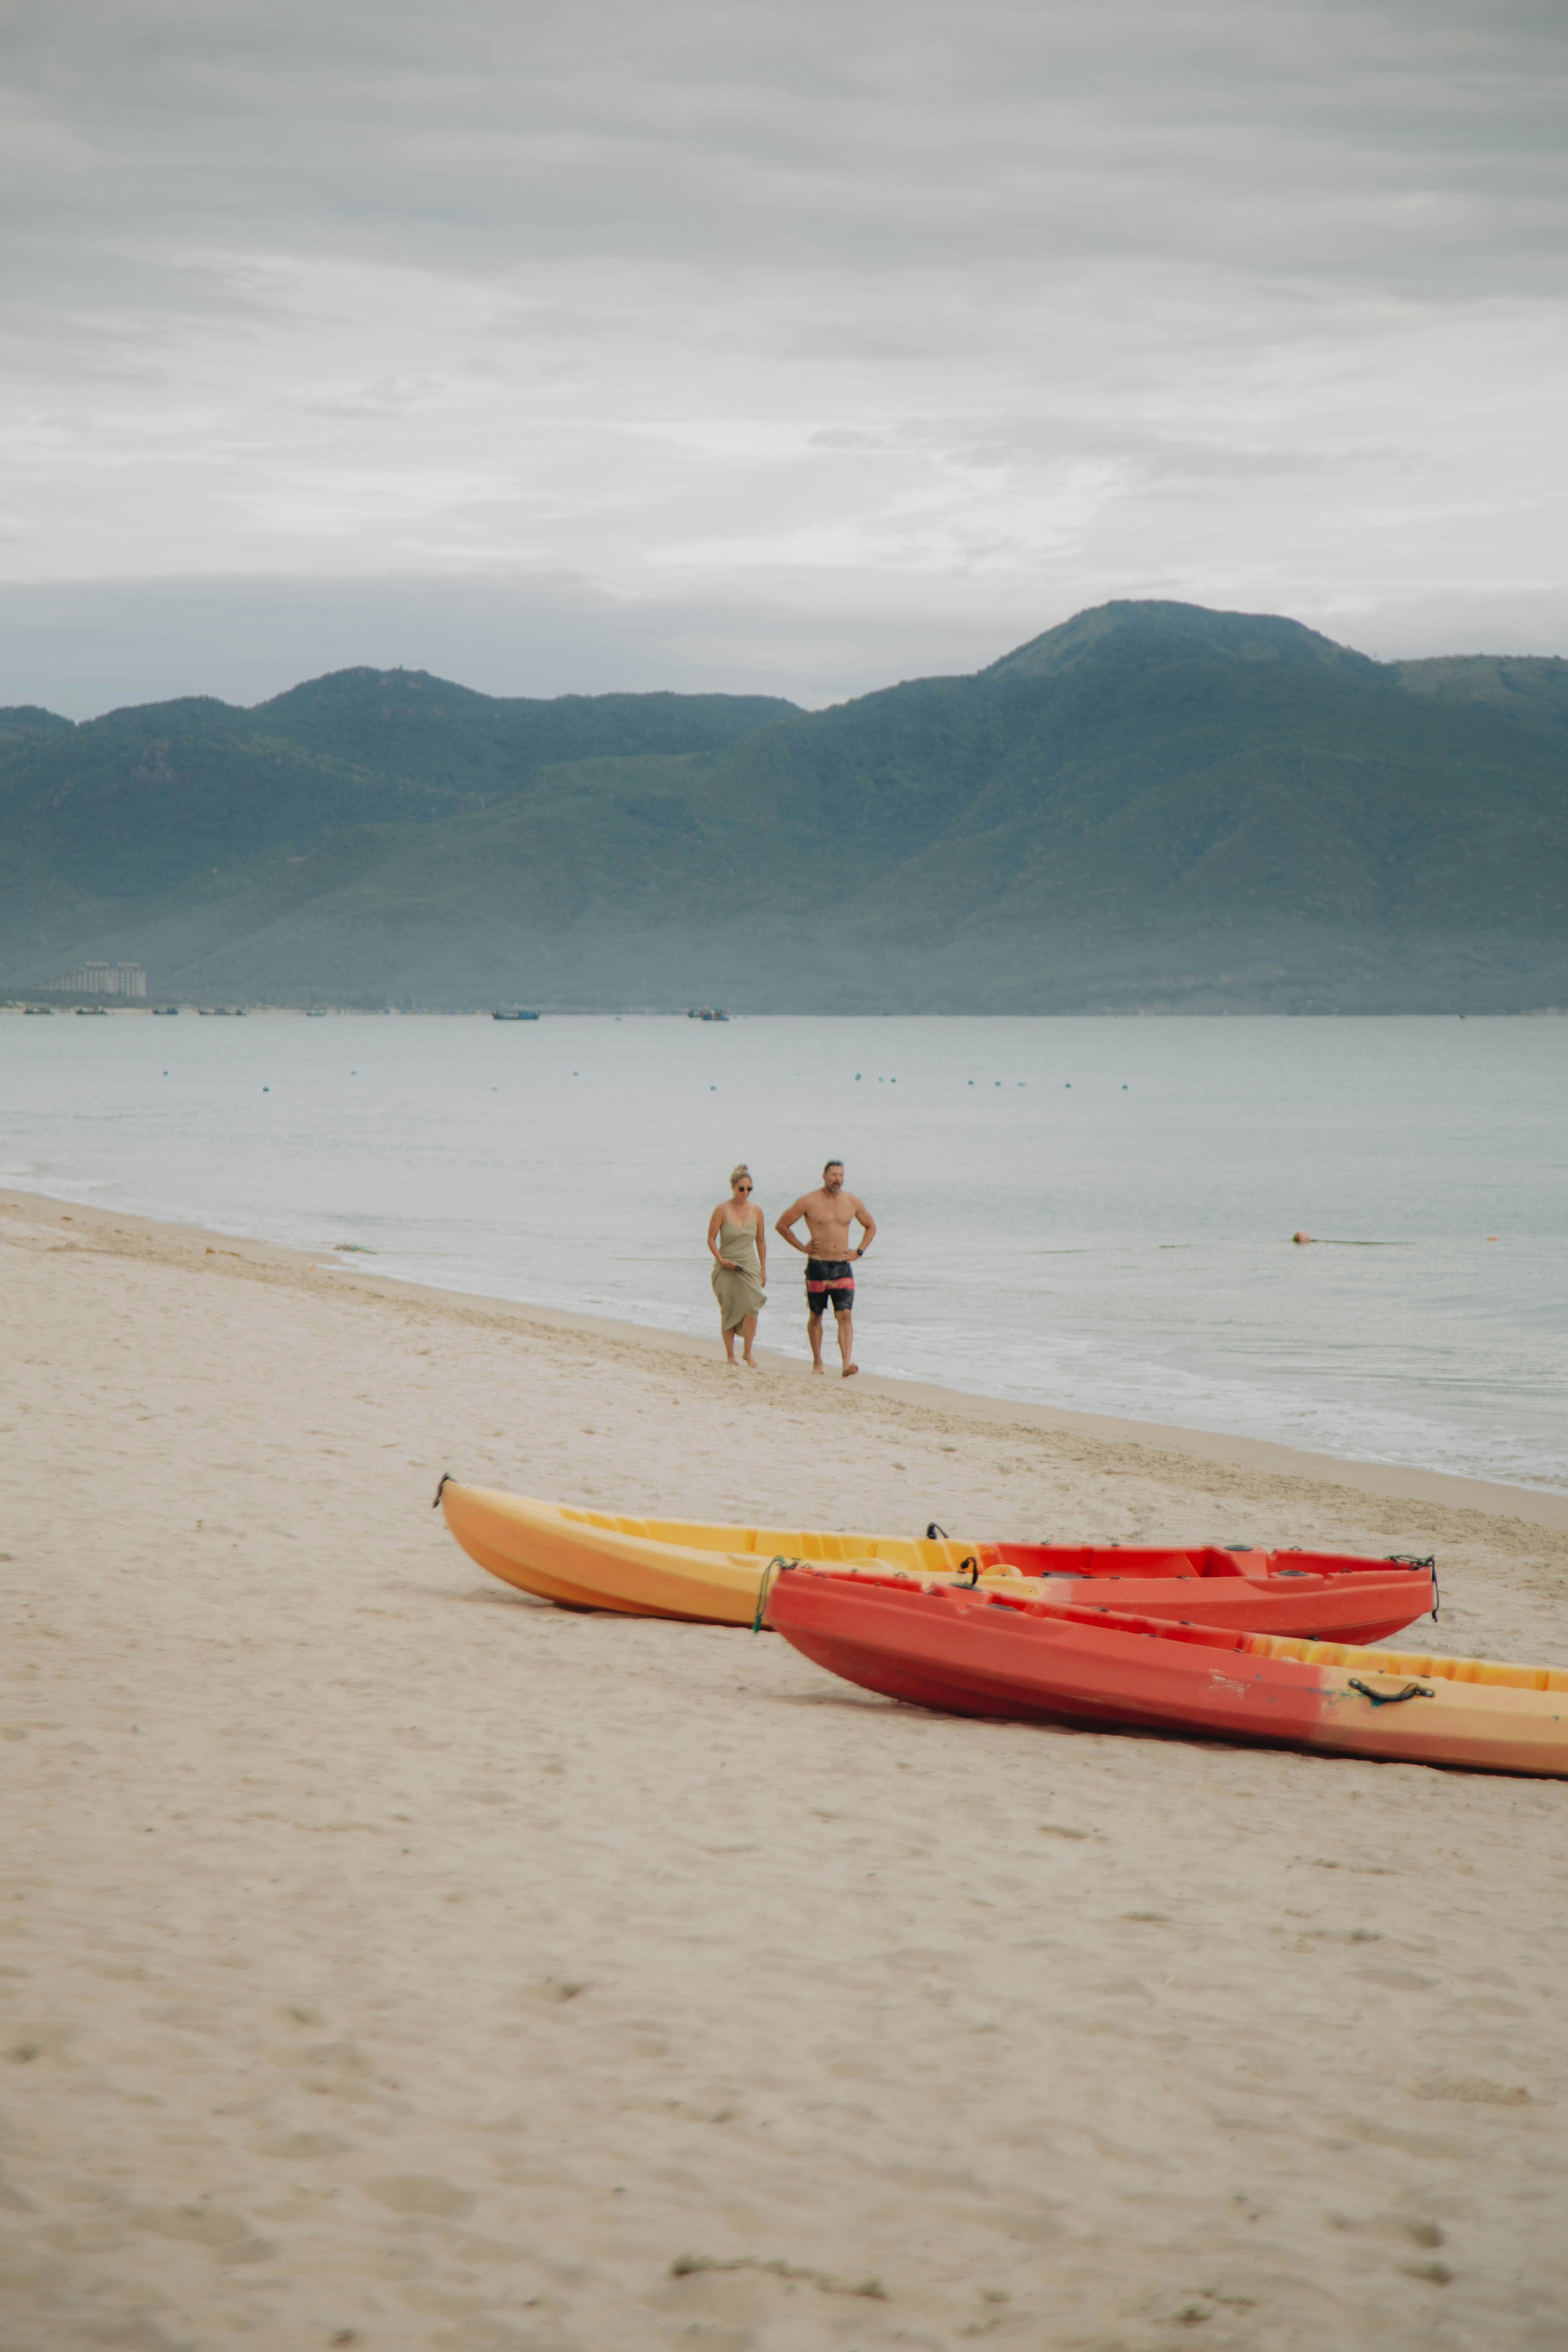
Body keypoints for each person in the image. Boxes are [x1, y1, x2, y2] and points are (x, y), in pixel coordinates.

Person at [774, 1160, 876, 1378]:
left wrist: (858, 1252)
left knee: (845, 1315)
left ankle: (846, 1363)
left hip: (842, 1267)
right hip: (818, 1266)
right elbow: (782, 1225)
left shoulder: (852, 1202)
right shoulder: (809, 1201)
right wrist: (803, 1247)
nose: (837, 1179)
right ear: (824, 1176)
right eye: (833, 1175)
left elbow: (870, 1226)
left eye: (841, 1175)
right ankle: (818, 1361)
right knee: (816, 1315)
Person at [707, 1164, 766, 1367]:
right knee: (729, 1309)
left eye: (749, 1189)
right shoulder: (722, 1210)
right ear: (733, 1187)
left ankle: (748, 1353)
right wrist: (721, 1260)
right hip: (726, 1266)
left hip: (749, 1265)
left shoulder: (757, 1211)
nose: (746, 1193)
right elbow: (711, 1239)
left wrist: (763, 1269)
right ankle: (730, 1355)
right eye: (742, 1189)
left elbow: (760, 1241)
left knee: (752, 1307)